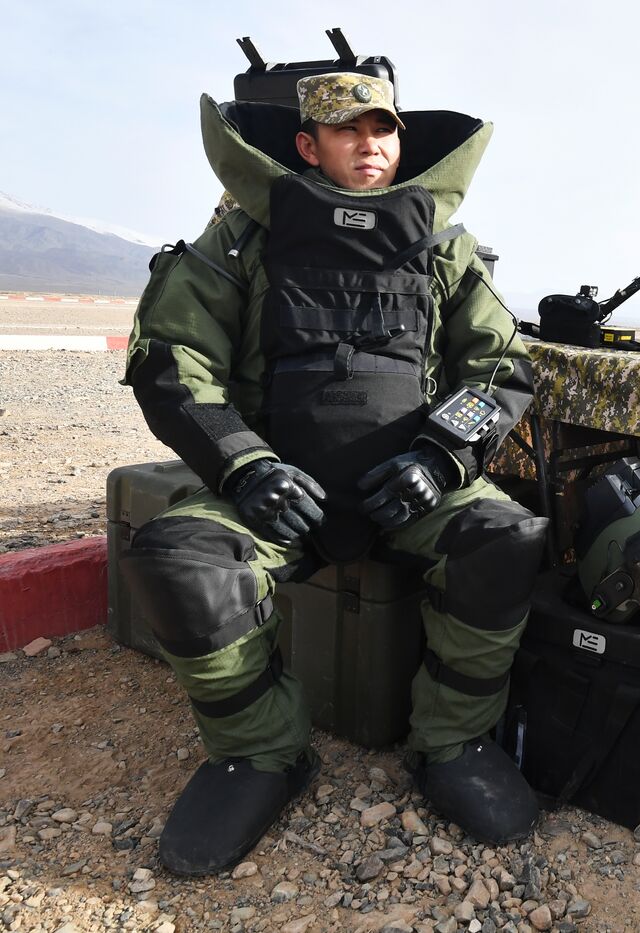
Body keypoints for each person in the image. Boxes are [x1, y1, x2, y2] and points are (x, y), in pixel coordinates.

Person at [121, 73, 546, 875]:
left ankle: (452, 741)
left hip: (408, 491)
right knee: (182, 555)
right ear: (308, 147)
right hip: (280, 494)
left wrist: (441, 455)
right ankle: (260, 756)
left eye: (382, 127)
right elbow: (175, 363)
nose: (371, 142)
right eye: (347, 130)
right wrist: (245, 466)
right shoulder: (244, 238)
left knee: (502, 536)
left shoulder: (444, 244)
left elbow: (498, 366)